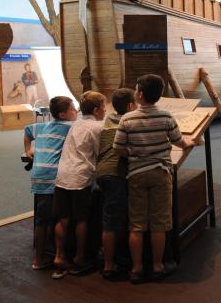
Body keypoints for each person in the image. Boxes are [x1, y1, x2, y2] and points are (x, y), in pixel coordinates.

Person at [114, 74, 195, 284]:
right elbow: (179, 142)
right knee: (159, 222)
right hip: (161, 173)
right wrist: (193, 141)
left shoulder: (127, 118)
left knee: (137, 223)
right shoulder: (166, 117)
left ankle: (137, 268)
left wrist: (133, 152)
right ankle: (158, 266)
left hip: (136, 174)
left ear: (139, 95)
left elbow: (118, 147)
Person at [52, 91, 107, 279]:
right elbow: (101, 152)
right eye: (104, 108)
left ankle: (59, 256)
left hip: (62, 175)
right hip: (80, 177)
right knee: (81, 218)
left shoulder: (76, 124)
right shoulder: (98, 127)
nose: (105, 111)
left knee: (63, 218)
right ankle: (80, 257)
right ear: (97, 110)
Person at [23, 96, 77, 272]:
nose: (75, 112)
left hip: (38, 176)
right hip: (54, 177)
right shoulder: (70, 127)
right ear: (63, 114)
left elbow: (27, 131)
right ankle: (57, 256)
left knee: (42, 220)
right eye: (72, 109)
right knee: (61, 217)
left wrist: (28, 150)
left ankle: (39, 259)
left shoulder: (42, 126)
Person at [96, 88, 137, 279]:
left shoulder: (108, 120)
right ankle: (109, 266)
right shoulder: (129, 123)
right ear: (130, 106)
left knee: (111, 217)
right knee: (112, 221)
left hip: (102, 171)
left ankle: (112, 259)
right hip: (115, 173)